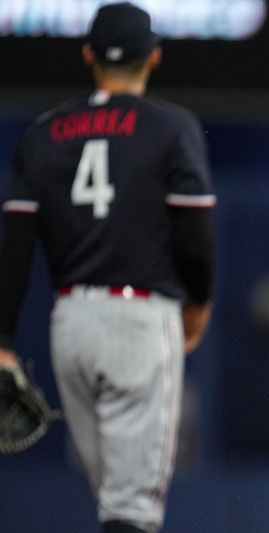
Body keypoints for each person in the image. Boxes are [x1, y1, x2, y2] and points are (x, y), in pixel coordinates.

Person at [0, 3, 215, 532]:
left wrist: (2, 341)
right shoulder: (172, 127)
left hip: (70, 326)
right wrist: (200, 301)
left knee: (113, 503)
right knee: (131, 511)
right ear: (154, 57)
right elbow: (195, 238)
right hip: (139, 322)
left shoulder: (42, 134)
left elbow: (16, 249)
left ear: (88, 54)